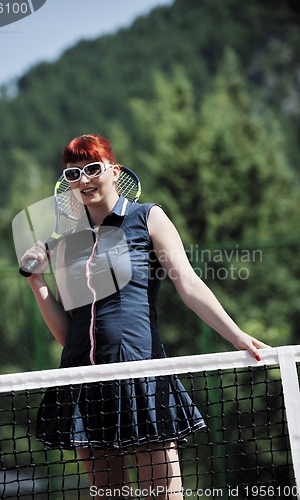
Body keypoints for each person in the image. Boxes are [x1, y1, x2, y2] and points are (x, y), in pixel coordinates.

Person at [20, 134, 269, 499]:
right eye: (73, 174)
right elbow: (69, 334)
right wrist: (37, 281)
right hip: (83, 381)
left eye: (92, 169)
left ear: (114, 171)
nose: (84, 180)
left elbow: (188, 282)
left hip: (140, 374)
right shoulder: (65, 244)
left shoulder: (147, 217)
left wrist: (236, 335)